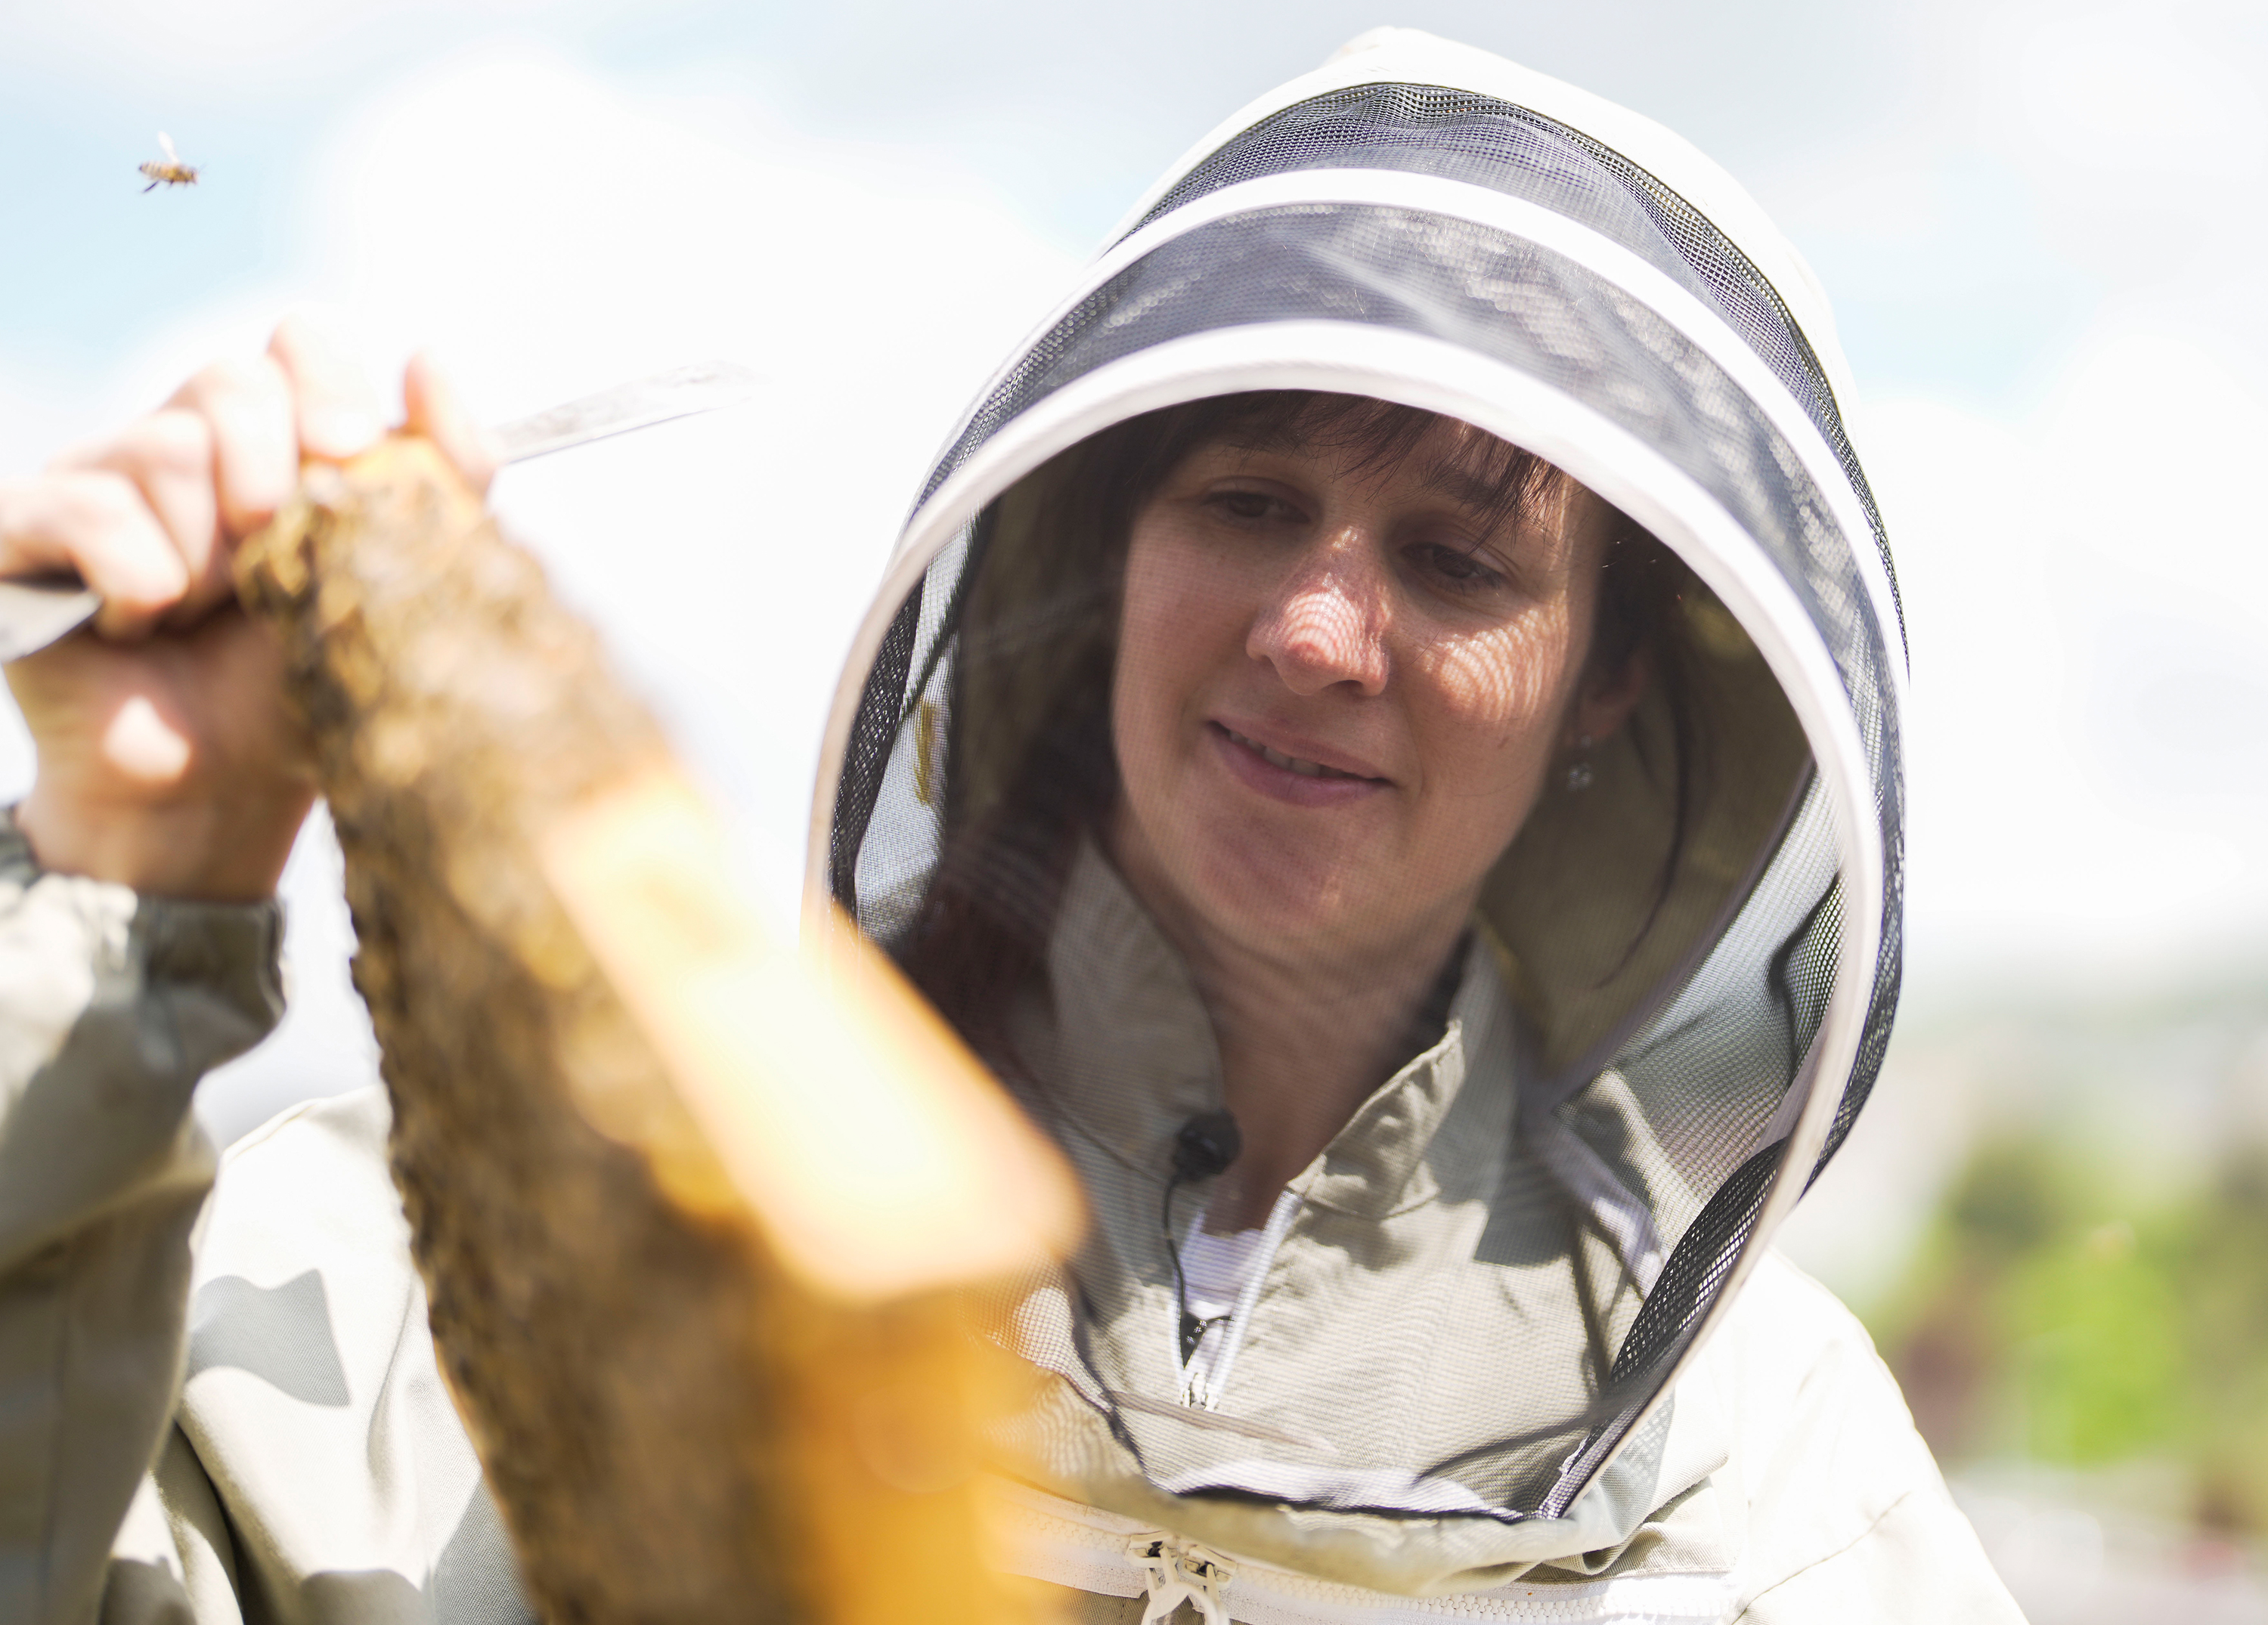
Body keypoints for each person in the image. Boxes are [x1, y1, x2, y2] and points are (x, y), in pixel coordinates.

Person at [0, 27, 2023, 1625]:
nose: (1321, 630)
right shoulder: (367, 1276)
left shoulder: (1773, 1495)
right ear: (1103, 547)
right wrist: (107, 897)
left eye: (1457, 561)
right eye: (1244, 501)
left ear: (1606, 689)